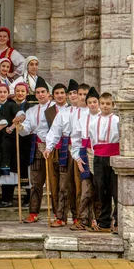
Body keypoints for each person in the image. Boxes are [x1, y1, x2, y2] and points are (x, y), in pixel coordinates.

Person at [44, 80, 81, 227]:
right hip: (66, 148)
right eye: (71, 93)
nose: (73, 96)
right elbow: (54, 131)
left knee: (79, 185)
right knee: (64, 184)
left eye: (75, 93)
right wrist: (49, 147)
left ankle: (79, 216)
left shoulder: (86, 112)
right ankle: (61, 216)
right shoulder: (63, 113)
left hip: (81, 149)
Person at [19, 76, 55, 223]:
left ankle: (60, 215)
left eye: (43, 92)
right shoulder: (32, 110)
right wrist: (20, 127)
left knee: (56, 182)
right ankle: (33, 212)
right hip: (37, 147)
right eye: (38, 92)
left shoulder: (55, 108)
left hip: (54, 148)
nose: (40, 94)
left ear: (48, 94)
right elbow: (27, 128)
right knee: (35, 182)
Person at [87, 92, 119, 233]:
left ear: (113, 105)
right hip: (99, 156)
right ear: (99, 105)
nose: (105, 106)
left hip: (113, 156)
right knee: (101, 188)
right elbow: (93, 139)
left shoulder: (117, 121)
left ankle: (118, 221)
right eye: (103, 104)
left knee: (116, 189)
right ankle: (104, 221)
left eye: (108, 104)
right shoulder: (93, 121)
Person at [71, 86, 100, 231]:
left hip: (101, 155)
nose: (93, 104)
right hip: (85, 154)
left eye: (95, 102)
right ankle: (83, 219)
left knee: (100, 189)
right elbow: (75, 140)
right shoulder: (81, 119)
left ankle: (99, 220)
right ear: (87, 104)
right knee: (86, 189)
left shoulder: (106, 118)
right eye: (90, 102)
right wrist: (77, 157)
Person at [0, 84, 25, 208]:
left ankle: (8, 198)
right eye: (0, 92)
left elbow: (21, 115)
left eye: (4, 92)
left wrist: (11, 127)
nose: (2, 94)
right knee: (1, 168)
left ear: (7, 93)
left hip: (8, 142)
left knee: (9, 169)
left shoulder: (11, 105)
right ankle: (3, 198)